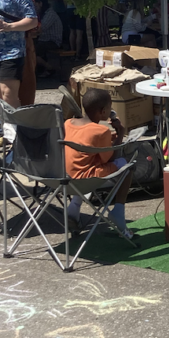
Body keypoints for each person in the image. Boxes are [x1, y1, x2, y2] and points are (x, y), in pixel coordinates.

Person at [64, 87, 134, 239]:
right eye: (109, 108)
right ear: (102, 111)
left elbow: (87, 146)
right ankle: (118, 211)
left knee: (86, 162)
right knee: (126, 165)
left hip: (65, 179)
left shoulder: (68, 123)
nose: (111, 110)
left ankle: (73, 208)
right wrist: (120, 133)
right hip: (87, 180)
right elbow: (110, 158)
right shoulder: (101, 131)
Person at [34, 0, 63, 77]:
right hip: (44, 40)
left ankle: (49, 68)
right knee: (32, 46)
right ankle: (42, 69)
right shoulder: (43, 14)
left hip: (53, 41)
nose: (34, 7)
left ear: (40, 4)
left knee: (34, 49)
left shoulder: (50, 14)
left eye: (36, 4)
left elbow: (41, 28)